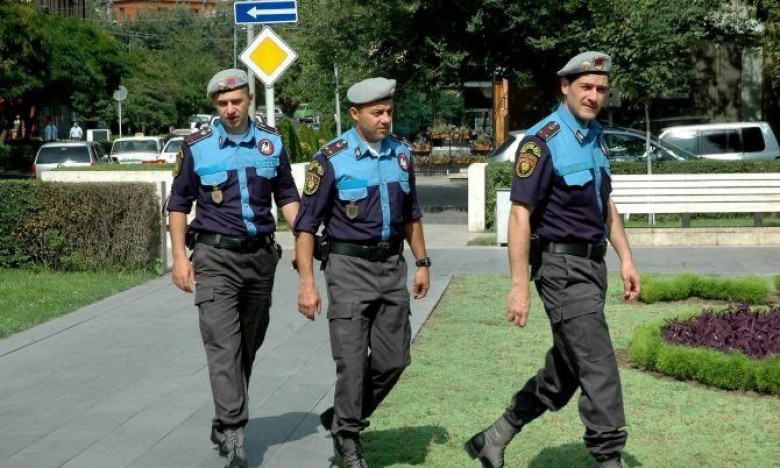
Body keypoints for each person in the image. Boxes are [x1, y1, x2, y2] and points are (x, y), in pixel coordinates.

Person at [464, 51, 641, 468]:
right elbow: (519, 215)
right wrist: (519, 287)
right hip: (561, 270)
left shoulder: (596, 136)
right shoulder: (541, 141)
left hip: (592, 267)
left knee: (567, 367)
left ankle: (495, 436)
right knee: (599, 364)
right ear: (565, 87)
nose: (594, 95)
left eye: (601, 89)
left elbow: (605, 205)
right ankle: (608, 457)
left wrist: (627, 260)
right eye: (586, 87)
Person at [294, 77, 431, 468]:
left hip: (391, 267)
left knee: (394, 360)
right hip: (348, 269)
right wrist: (307, 284)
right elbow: (306, 227)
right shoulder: (330, 159)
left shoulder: (401, 154)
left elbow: (412, 215)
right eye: (377, 113)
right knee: (352, 363)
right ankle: (349, 438)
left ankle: (342, 417)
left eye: (389, 112)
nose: (385, 119)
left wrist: (422, 263)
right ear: (355, 113)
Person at [166, 68, 300, 468]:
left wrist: (304, 238)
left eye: (237, 101)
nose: (230, 109)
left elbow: (287, 195)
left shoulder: (271, 142)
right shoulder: (197, 147)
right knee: (223, 344)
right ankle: (235, 432)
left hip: (260, 258)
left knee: (247, 345)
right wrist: (179, 258)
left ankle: (223, 420)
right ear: (214, 105)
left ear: (249, 100)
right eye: (222, 103)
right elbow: (178, 204)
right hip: (214, 257)